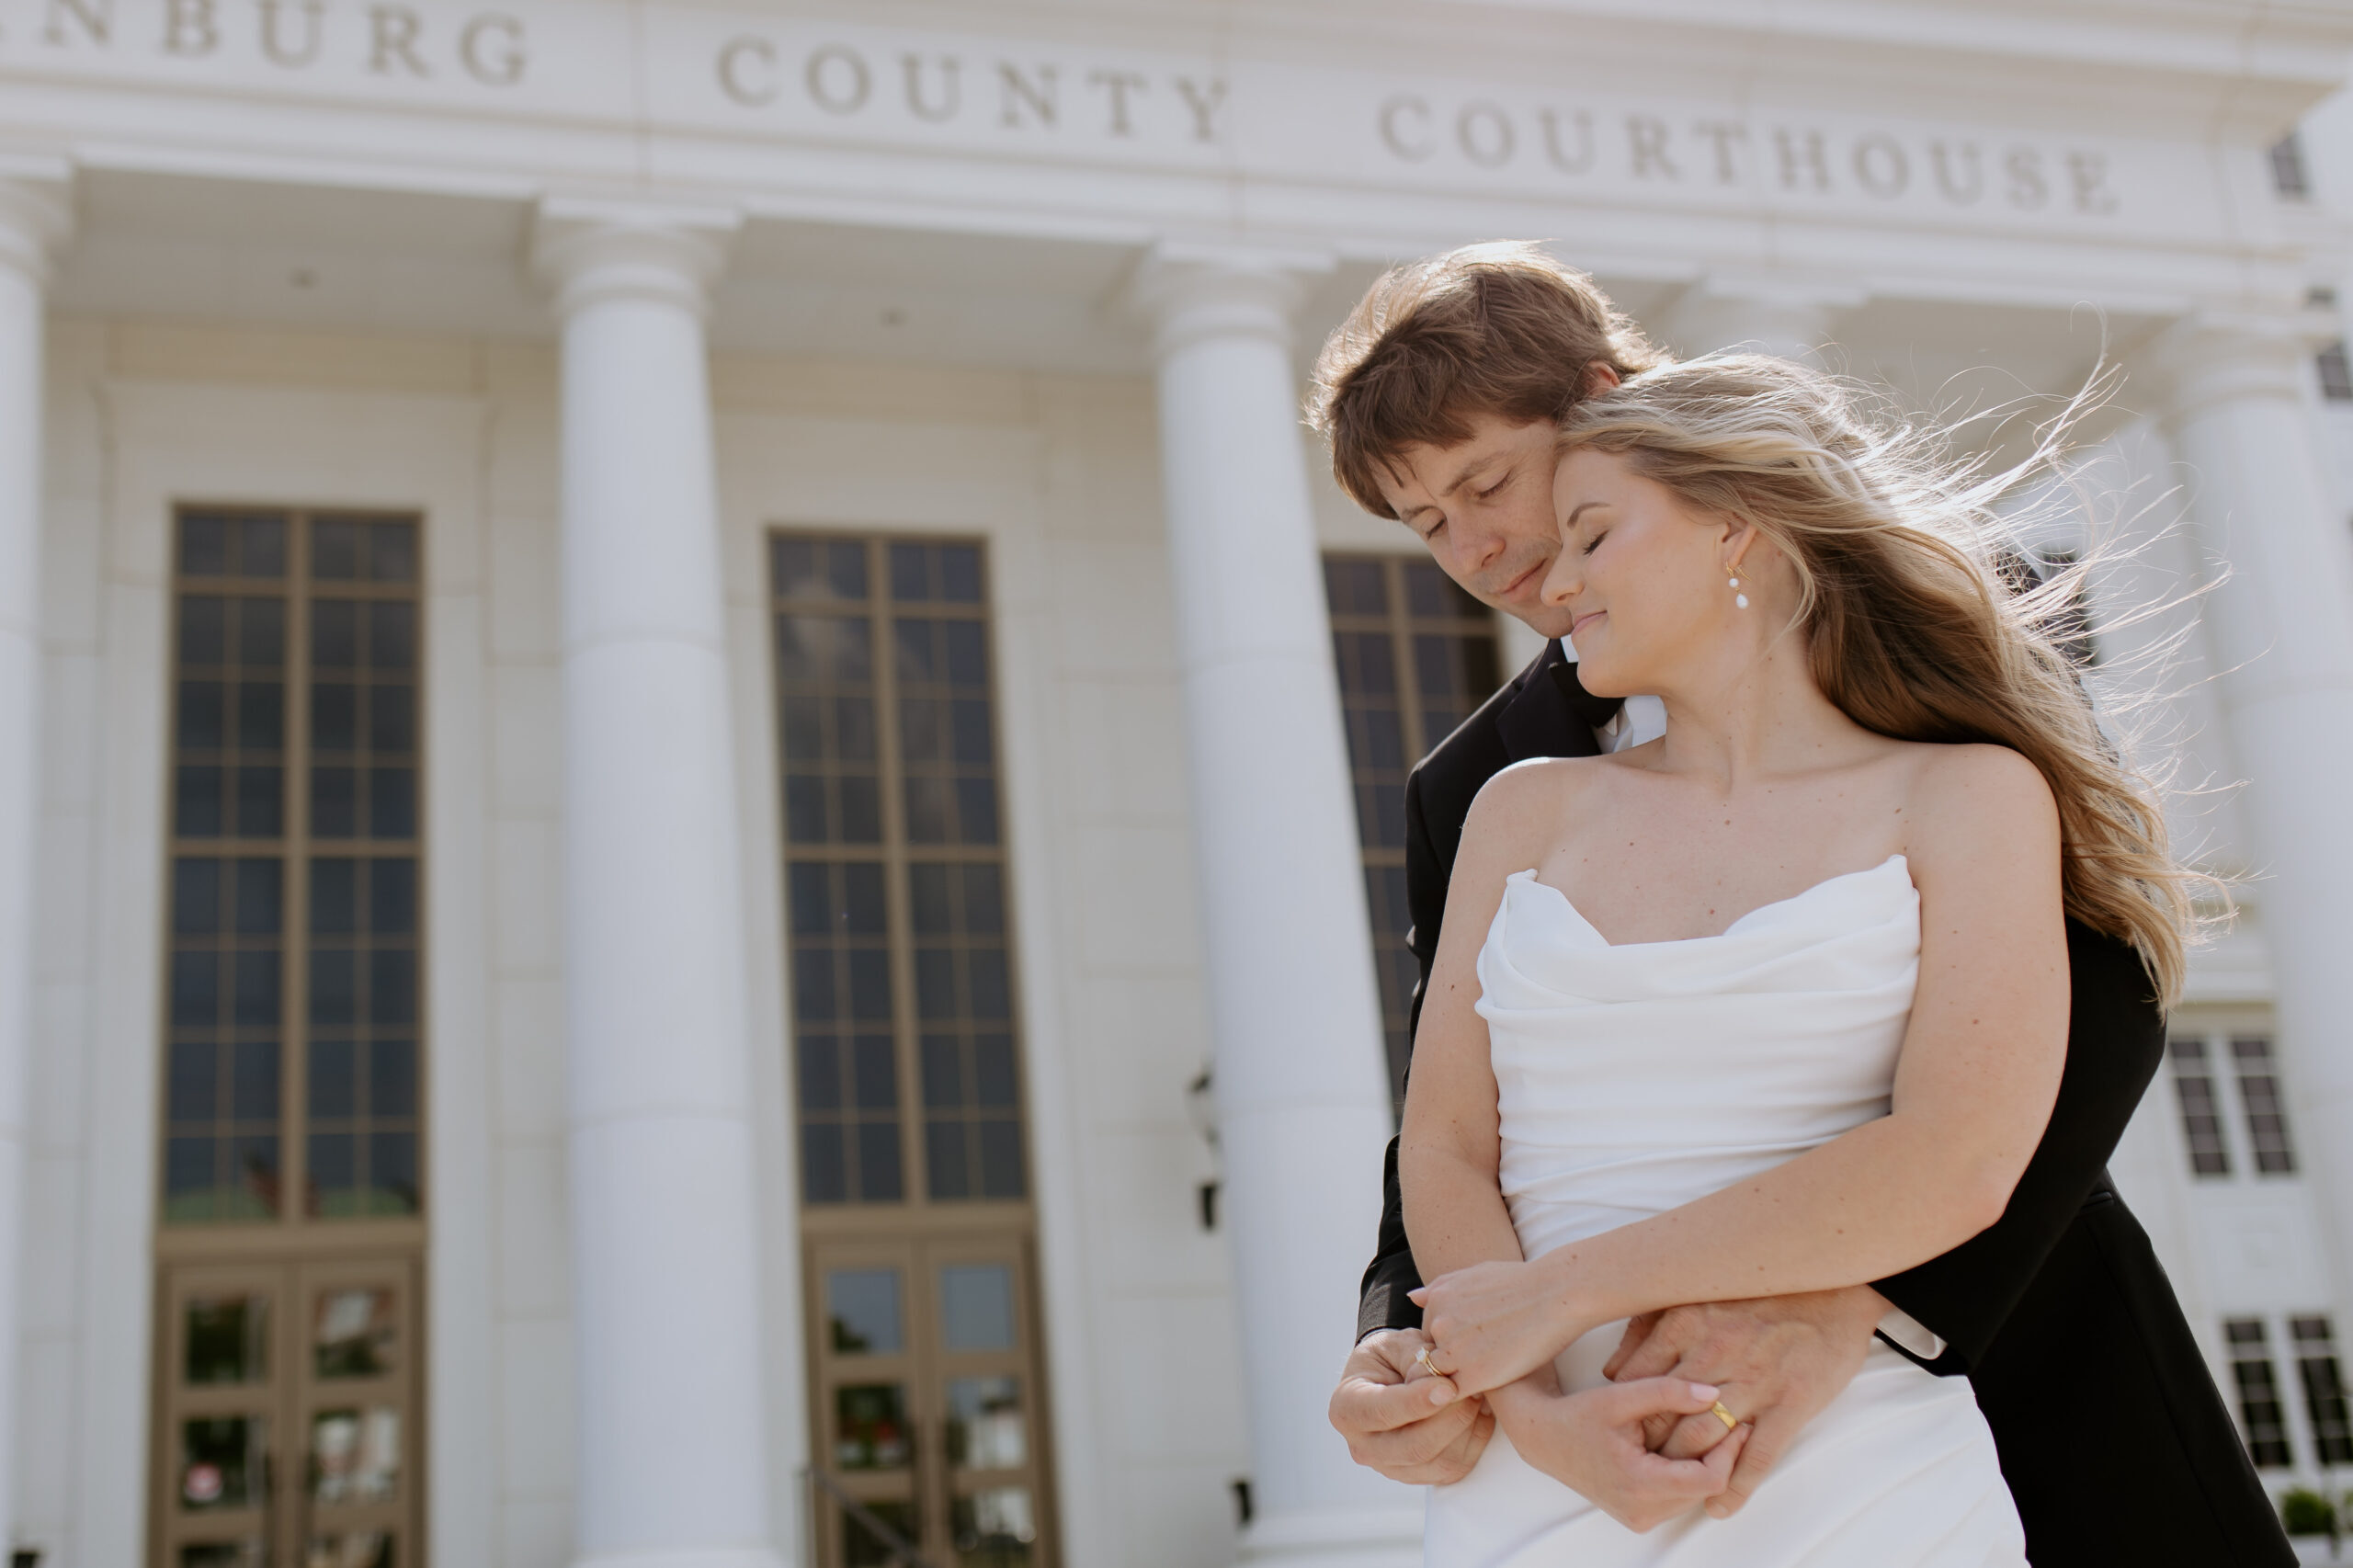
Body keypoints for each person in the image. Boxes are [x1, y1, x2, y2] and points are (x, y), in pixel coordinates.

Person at [1309, 245, 2292, 1565]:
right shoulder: (1478, 787)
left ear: (1602, 405)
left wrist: (1855, 1303)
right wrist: (1406, 1332)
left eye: (1486, 480)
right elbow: (1451, 1116)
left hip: (1999, 1355)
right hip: (1596, 1429)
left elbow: (2104, 1003)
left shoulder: (1924, 659)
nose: (1473, 546)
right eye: (1426, 523)